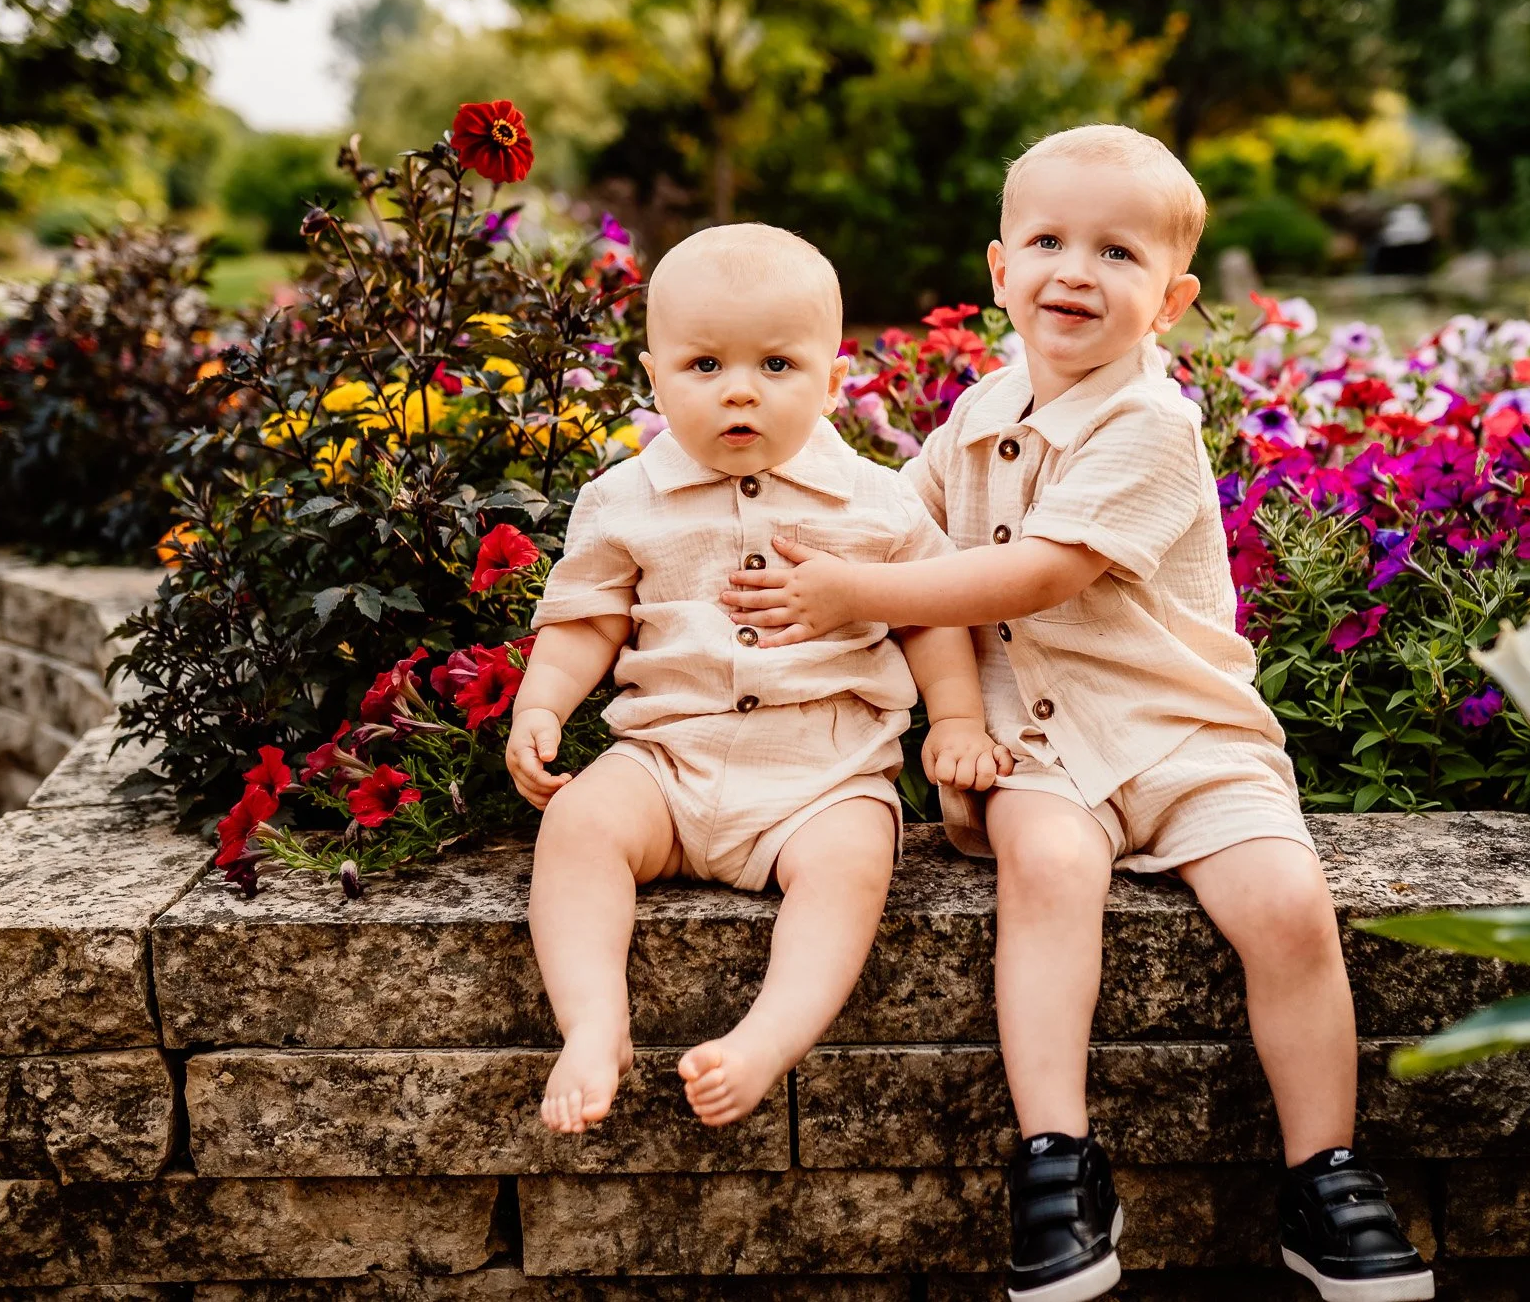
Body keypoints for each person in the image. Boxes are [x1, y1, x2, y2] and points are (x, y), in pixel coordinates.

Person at [721, 127, 1435, 1302]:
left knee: (1288, 905)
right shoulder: (978, 410)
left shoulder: (1152, 426)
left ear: (1171, 299)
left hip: (1183, 730)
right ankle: (1055, 1162)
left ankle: (1324, 1175)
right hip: (1039, 741)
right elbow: (905, 523)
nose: (1073, 271)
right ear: (998, 271)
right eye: (1046, 241)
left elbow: (1037, 574)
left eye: (1115, 251)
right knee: (1046, 872)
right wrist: (793, 534)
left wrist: (859, 593)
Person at [507, 223, 1010, 1136]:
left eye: (776, 365)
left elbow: (930, 611)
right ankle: (592, 1024)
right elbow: (588, 619)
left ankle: (768, 1038)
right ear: (653, 374)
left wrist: (959, 720)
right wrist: (540, 705)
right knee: (578, 827)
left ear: (832, 376)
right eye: (705, 365)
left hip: (821, 775)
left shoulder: (874, 498)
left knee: (854, 865)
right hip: (666, 762)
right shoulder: (624, 499)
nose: (739, 388)